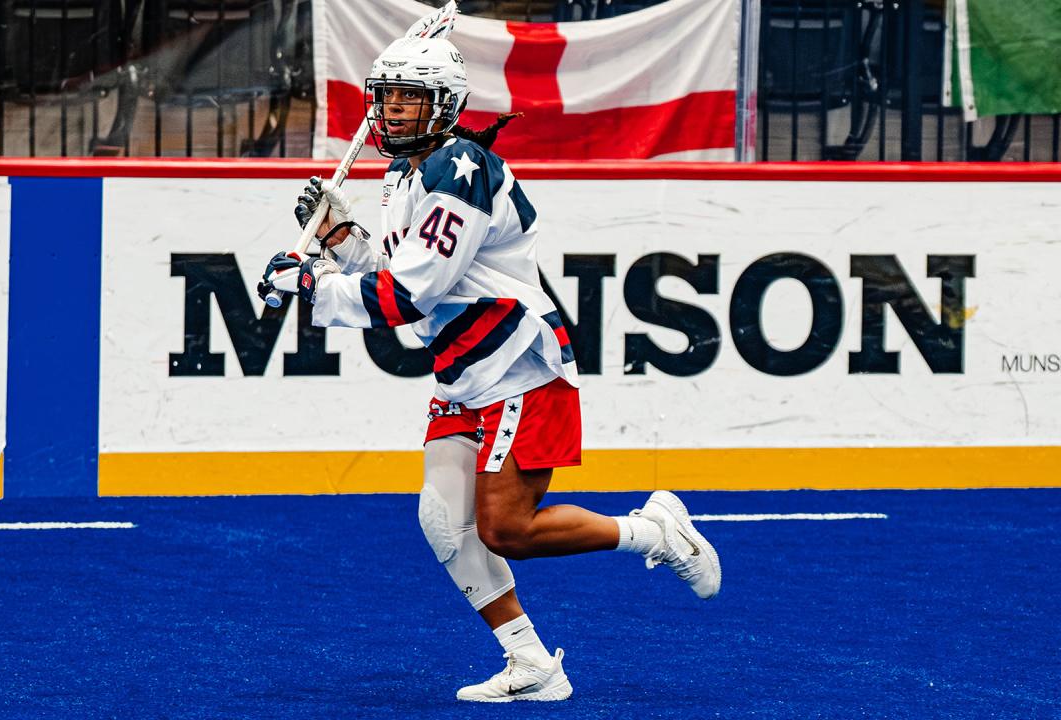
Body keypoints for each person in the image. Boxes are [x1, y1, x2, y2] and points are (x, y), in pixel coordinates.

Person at [257, 34, 721, 703]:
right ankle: (532, 664)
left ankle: (656, 532)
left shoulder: (462, 171)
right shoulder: (405, 174)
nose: (391, 113)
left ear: (443, 106)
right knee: (443, 520)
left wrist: (310, 285)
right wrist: (338, 242)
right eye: (386, 98)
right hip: (464, 370)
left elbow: (408, 297)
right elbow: (405, 282)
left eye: (410, 100)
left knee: (508, 529)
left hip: (516, 368)